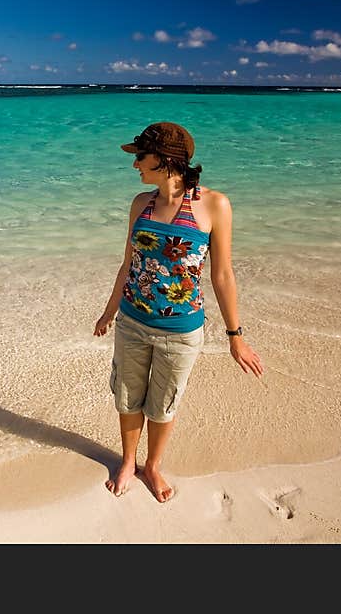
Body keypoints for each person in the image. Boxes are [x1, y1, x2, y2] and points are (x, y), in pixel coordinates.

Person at [94, 121, 263, 503]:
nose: (135, 164)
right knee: (126, 397)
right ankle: (127, 461)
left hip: (180, 330)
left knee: (163, 404)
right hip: (132, 322)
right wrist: (108, 312)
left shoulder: (214, 205)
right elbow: (127, 264)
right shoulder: (141, 203)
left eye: (141, 156)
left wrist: (236, 337)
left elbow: (222, 274)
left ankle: (151, 466)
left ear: (165, 159)